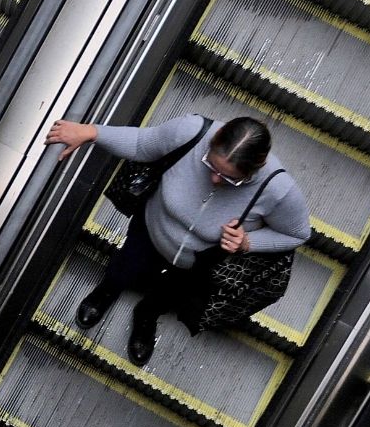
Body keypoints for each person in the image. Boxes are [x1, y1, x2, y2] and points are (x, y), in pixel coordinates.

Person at [44, 115, 310, 365]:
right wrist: (92, 132)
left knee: (170, 294)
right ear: (214, 138)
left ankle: (146, 315)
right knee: (126, 265)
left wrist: (247, 243)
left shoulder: (278, 190)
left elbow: (297, 233)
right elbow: (141, 143)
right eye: (210, 165)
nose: (215, 179)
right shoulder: (191, 131)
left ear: (257, 168)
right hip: (151, 229)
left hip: (198, 262)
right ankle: (107, 291)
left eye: (231, 178)